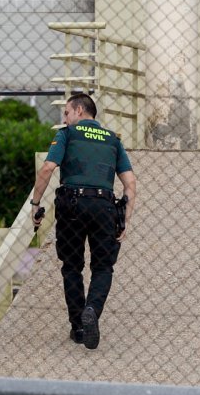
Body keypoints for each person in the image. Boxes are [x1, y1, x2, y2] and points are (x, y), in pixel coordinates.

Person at [29, 93, 137, 350]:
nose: (64, 118)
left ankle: (78, 327)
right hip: (104, 206)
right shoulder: (113, 140)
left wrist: (35, 203)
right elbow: (130, 182)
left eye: (66, 113)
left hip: (72, 205)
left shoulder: (68, 134)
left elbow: (47, 168)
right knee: (103, 267)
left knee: (72, 266)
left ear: (79, 110)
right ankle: (92, 310)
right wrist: (125, 218)